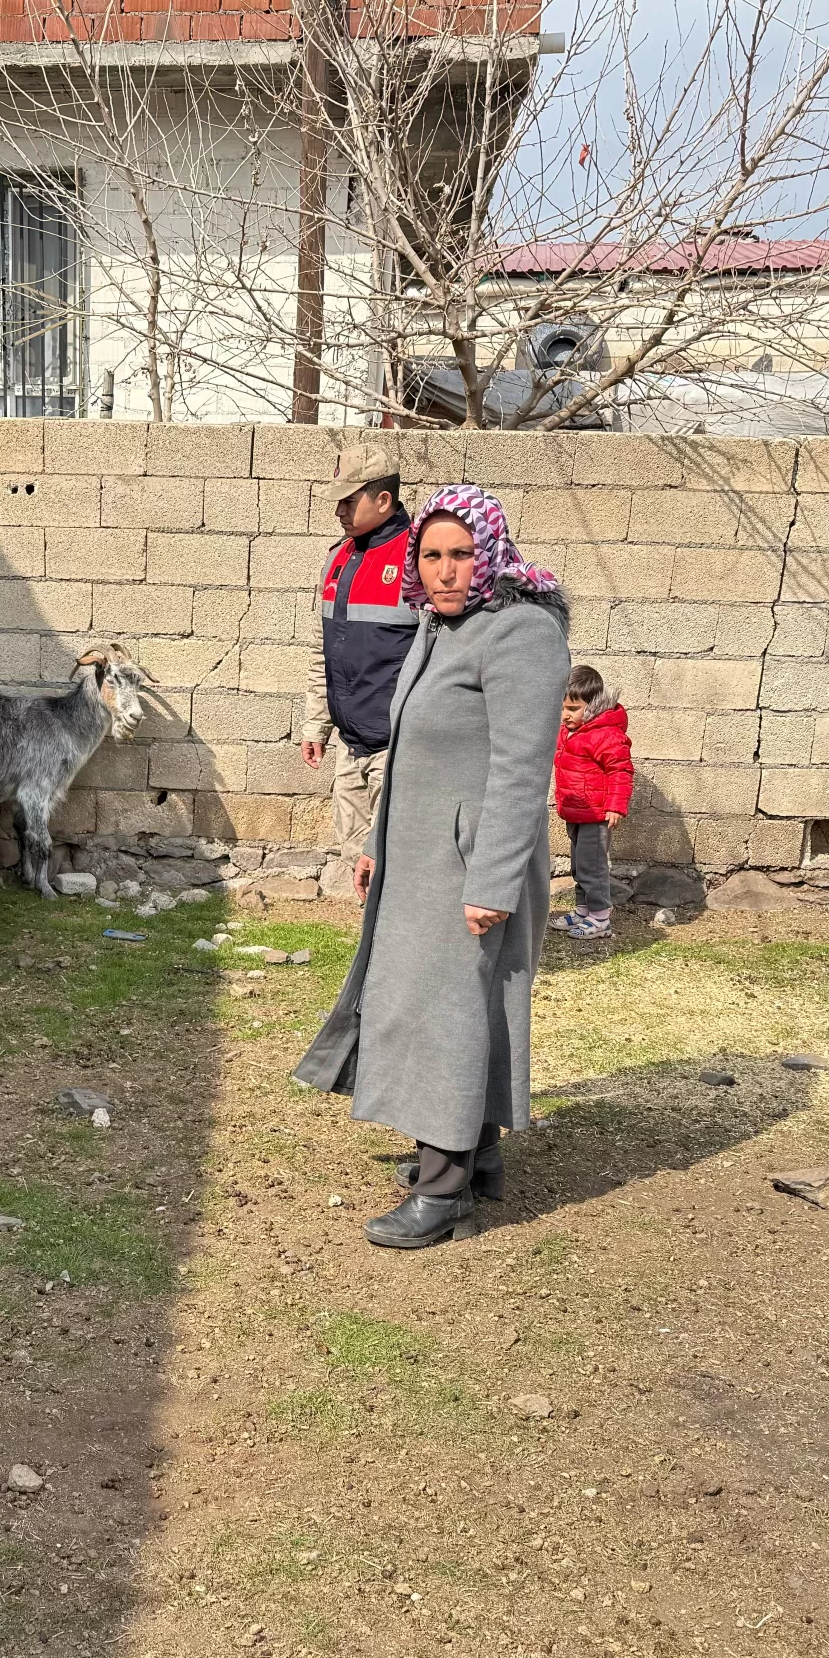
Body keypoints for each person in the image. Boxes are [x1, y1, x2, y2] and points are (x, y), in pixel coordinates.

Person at [293, 485, 571, 1250]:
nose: (446, 571)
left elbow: (521, 771)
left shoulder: (521, 633)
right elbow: (409, 751)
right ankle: (475, 1158)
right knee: (442, 1004)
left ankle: (442, 1191)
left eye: (462, 554)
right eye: (432, 555)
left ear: (492, 554)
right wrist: (377, 842)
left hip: (472, 864)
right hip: (417, 859)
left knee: (446, 1013)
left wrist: (490, 883)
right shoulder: (437, 627)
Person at [298, 443, 417, 895]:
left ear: (382, 499)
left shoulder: (417, 559)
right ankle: (371, 946)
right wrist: (316, 724)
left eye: (349, 500)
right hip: (351, 744)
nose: (340, 511)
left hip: (397, 746)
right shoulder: (339, 557)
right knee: (356, 857)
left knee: (394, 859)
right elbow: (321, 650)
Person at [551, 665, 633, 940]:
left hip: (597, 815)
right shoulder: (569, 732)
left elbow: (620, 770)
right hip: (576, 812)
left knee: (592, 866)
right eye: (562, 708)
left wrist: (615, 806)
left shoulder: (605, 734)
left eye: (572, 709)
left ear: (593, 704)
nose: (565, 716)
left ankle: (600, 919)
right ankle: (583, 910)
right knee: (578, 865)